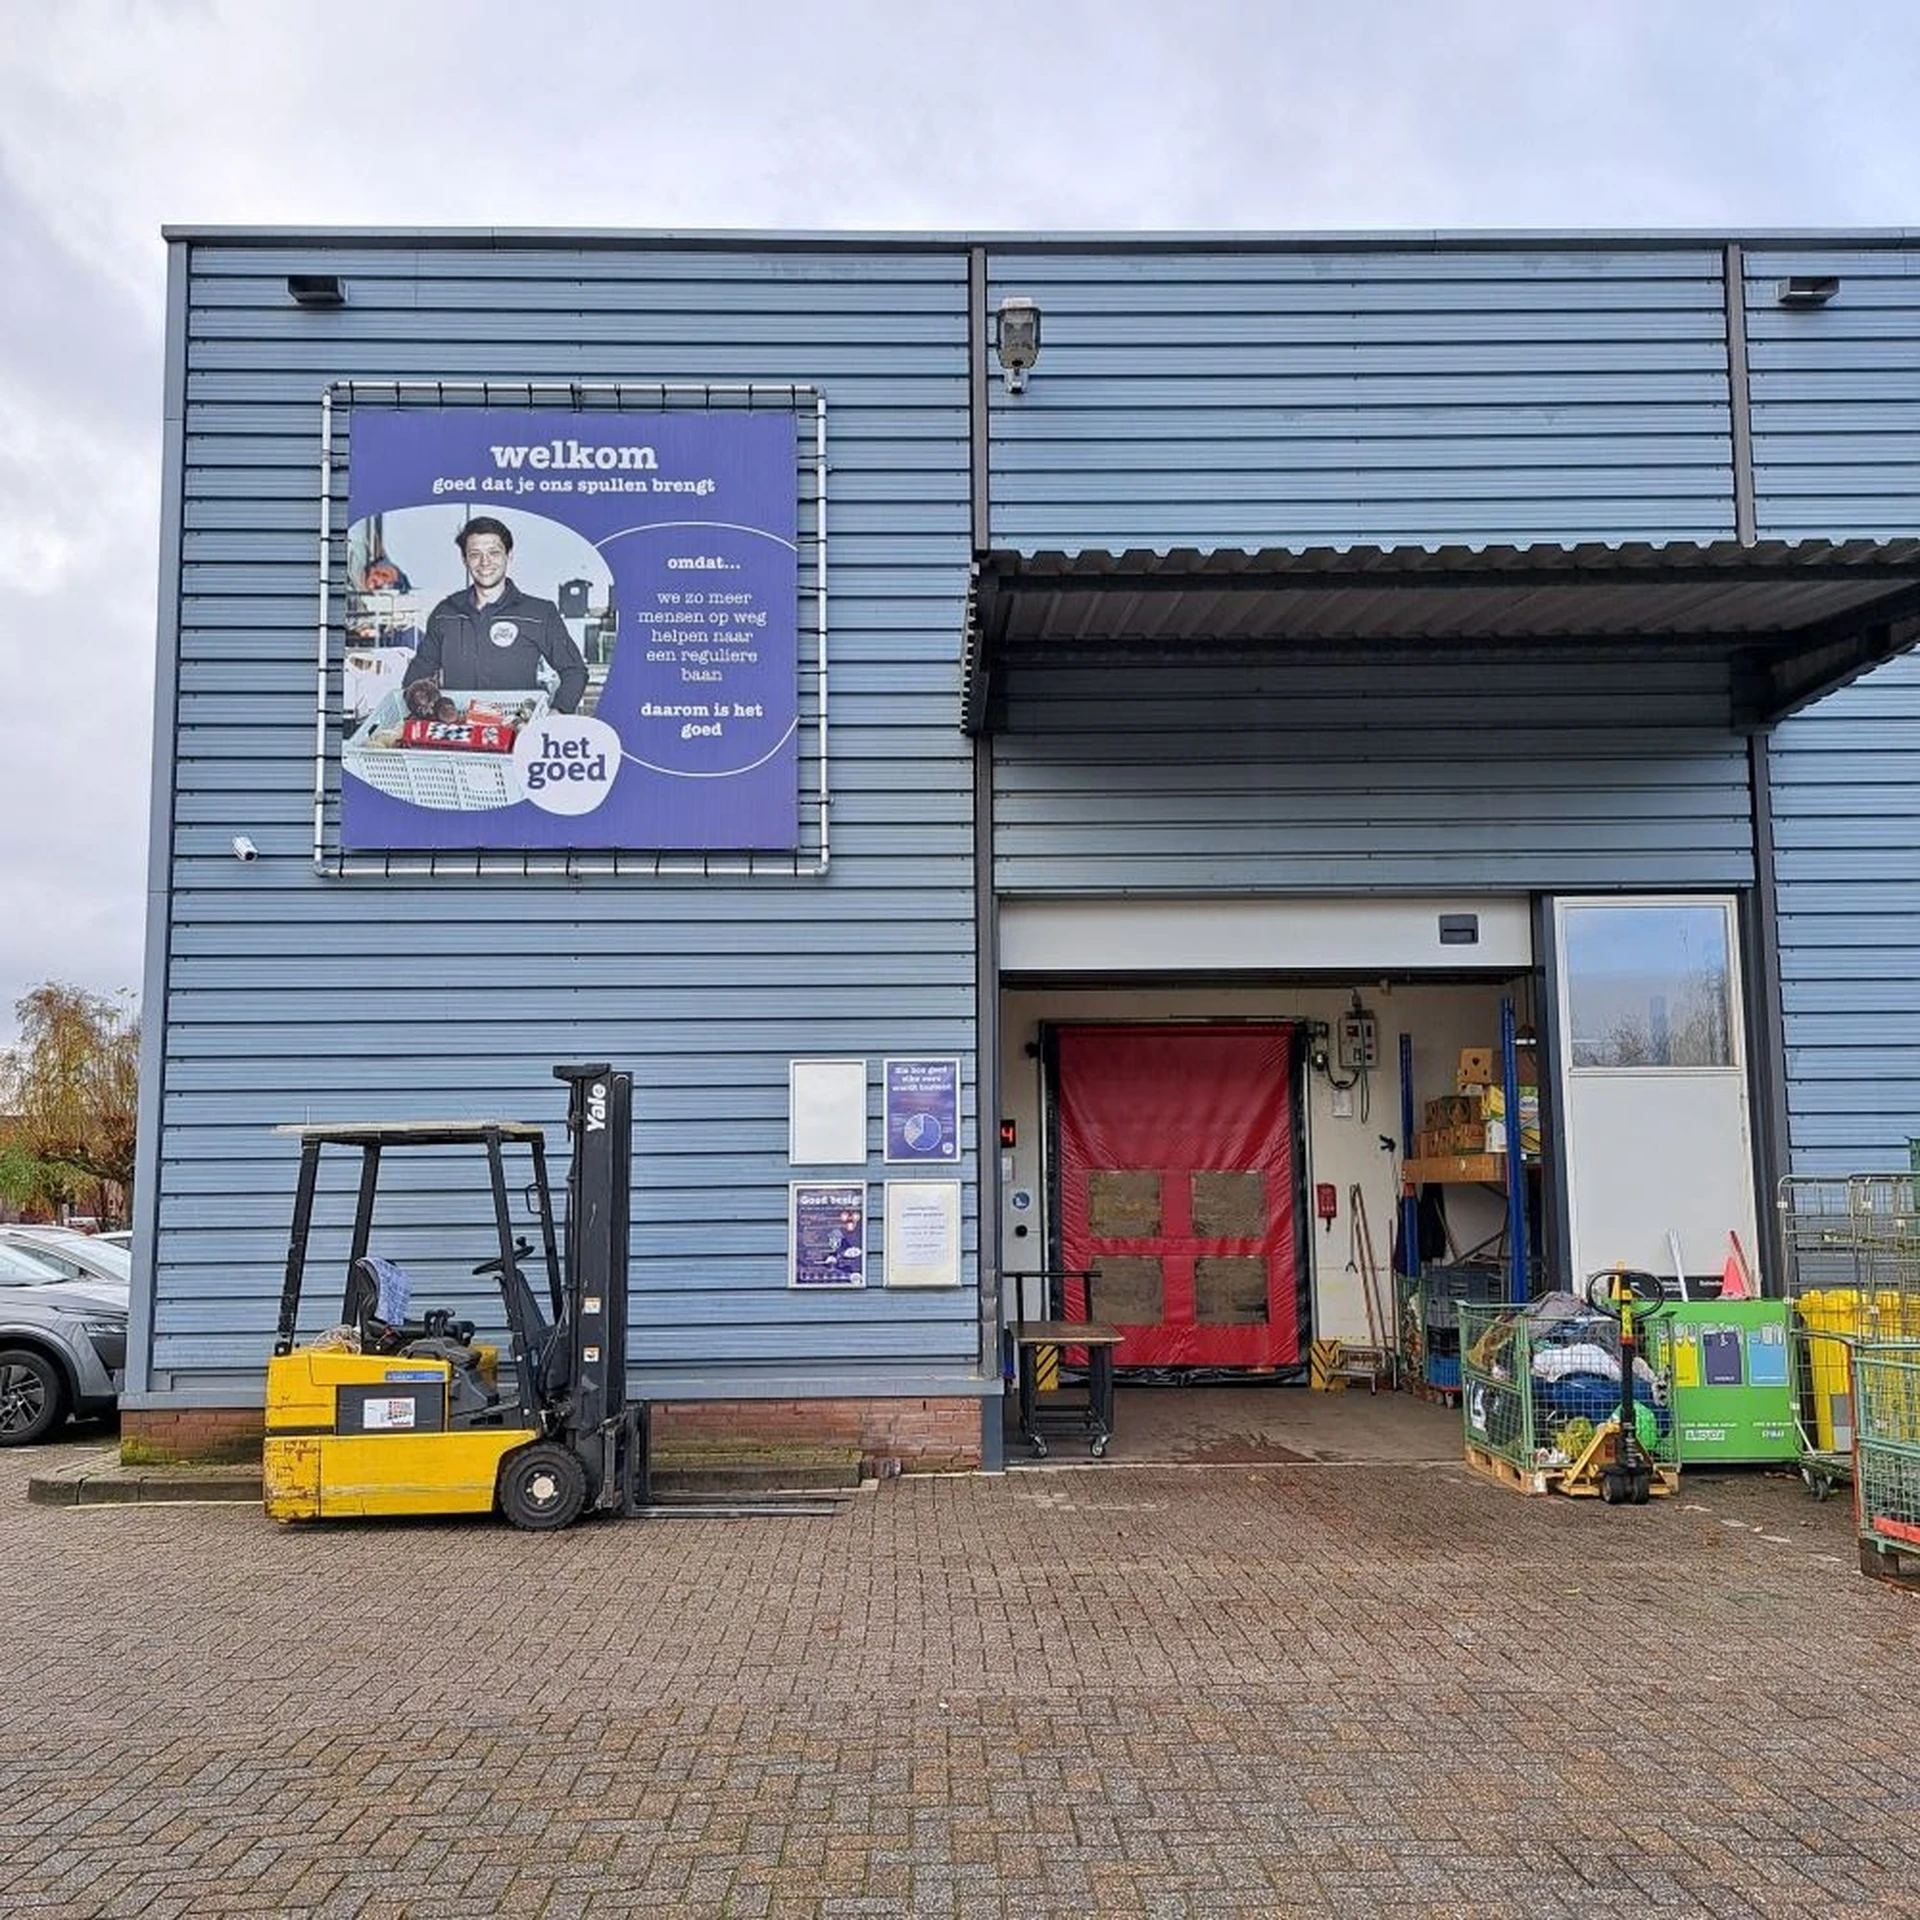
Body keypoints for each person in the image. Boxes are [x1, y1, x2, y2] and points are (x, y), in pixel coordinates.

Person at [404, 517, 589, 713]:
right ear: (464, 559)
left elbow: (575, 671)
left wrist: (557, 712)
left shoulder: (539, 613)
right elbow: (418, 675)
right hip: (456, 729)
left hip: (516, 730)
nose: (485, 562)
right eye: (475, 554)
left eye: (494, 552)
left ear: (509, 556)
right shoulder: (445, 613)